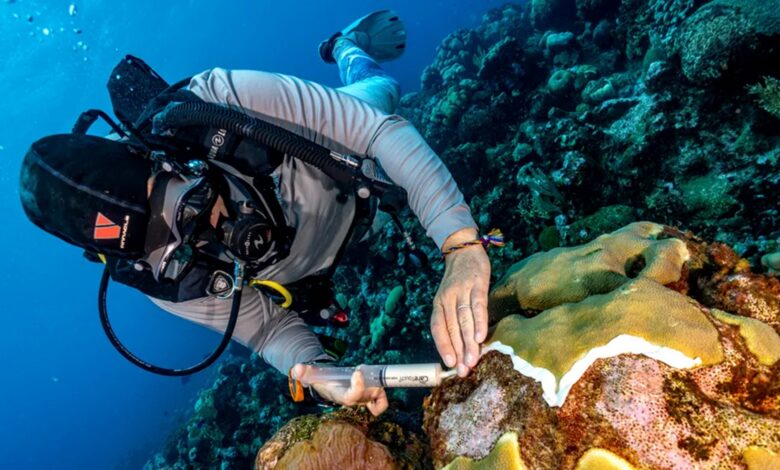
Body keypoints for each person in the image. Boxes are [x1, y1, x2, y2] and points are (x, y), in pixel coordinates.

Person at [19, 11, 492, 416]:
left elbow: (377, 133)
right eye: (172, 250)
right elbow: (267, 329)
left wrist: (461, 246)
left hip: (354, 165)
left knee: (385, 90)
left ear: (164, 158)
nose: (203, 234)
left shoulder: (218, 100)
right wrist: (320, 373)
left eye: (189, 207)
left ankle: (346, 47)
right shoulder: (159, 280)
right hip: (346, 241)